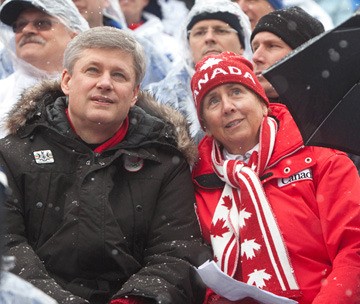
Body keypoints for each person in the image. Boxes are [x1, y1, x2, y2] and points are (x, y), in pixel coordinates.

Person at [0, 26, 211, 304]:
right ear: (66, 80)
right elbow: (7, 244)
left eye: (119, 75)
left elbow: (177, 251)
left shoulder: (165, 160)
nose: (105, 83)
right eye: (92, 70)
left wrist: (132, 301)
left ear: (135, 93)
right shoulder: (15, 150)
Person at [190, 51, 360, 303]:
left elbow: (353, 248)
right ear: (205, 125)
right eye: (213, 101)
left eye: (236, 92)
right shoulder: (196, 180)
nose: (228, 107)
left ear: (262, 102)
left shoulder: (322, 158)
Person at [250, 6, 360, 172]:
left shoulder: (343, 123)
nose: (256, 57)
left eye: (272, 46)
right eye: (254, 47)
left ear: (303, 56)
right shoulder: (246, 125)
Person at [146, 0, 252, 143]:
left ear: (242, 45)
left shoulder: (265, 86)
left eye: (221, 30)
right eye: (199, 33)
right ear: (188, 47)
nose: (209, 38)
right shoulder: (160, 98)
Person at [0, 0, 89, 138]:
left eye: (42, 23)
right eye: (20, 25)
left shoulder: (94, 89)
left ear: (74, 36)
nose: (26, 30)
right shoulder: (3, 92)